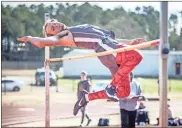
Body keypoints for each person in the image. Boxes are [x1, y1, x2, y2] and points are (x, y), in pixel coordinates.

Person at [17, 19, 146, 116]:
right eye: (52, 27)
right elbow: (41, 43)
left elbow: (110, 39)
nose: (55, 24)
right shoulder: (65, 35)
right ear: (52, 34)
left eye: (54, 22)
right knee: (136, 56)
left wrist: (130, 42)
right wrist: (29, 38)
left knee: (124, 92)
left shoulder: (77, 28)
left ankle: (86, 97)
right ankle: (111, 87)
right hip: (109, 51)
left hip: (110, 50)